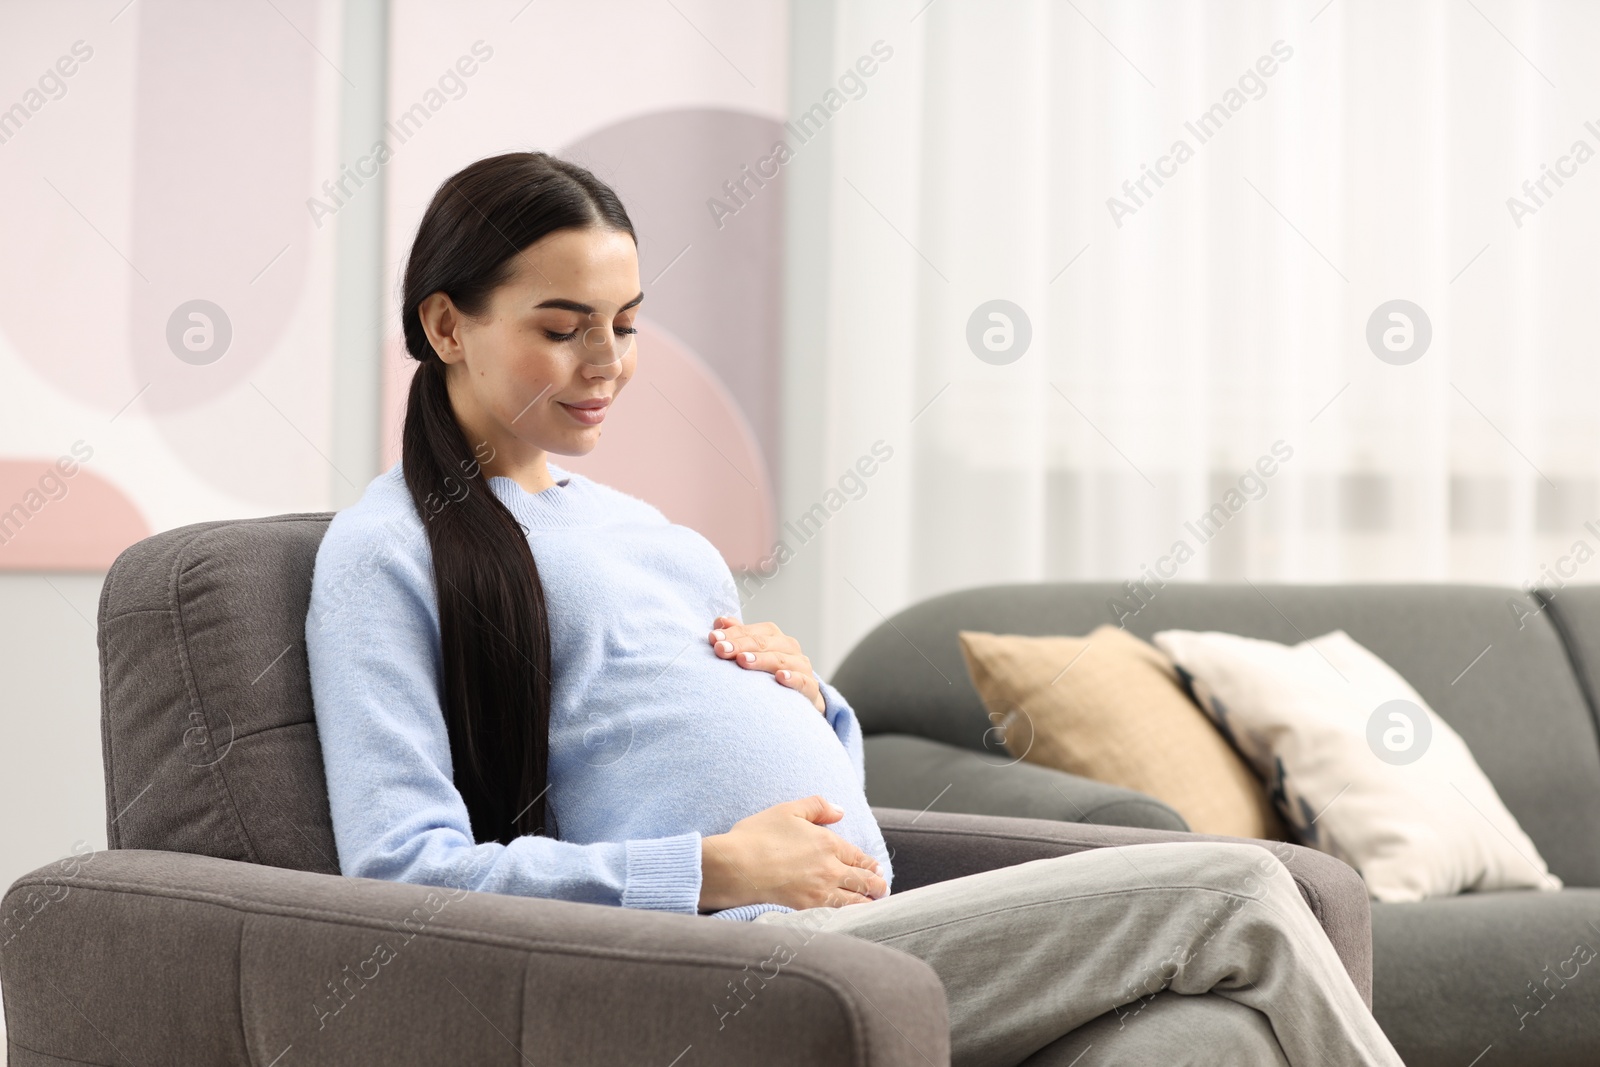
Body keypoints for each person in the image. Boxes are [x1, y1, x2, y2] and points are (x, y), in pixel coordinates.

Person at [304, 151, 1403, 1067]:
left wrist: (808, 701)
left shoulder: (651, 533)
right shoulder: (387, 551)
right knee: (1238, 885)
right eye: (561, 326)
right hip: (732, 964)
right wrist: (714, 866)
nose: (607, 363)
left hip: (861, 931)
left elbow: (764, 768)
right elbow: (406, 872)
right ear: (446, 324)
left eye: (627, 324)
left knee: (1205, 1041)